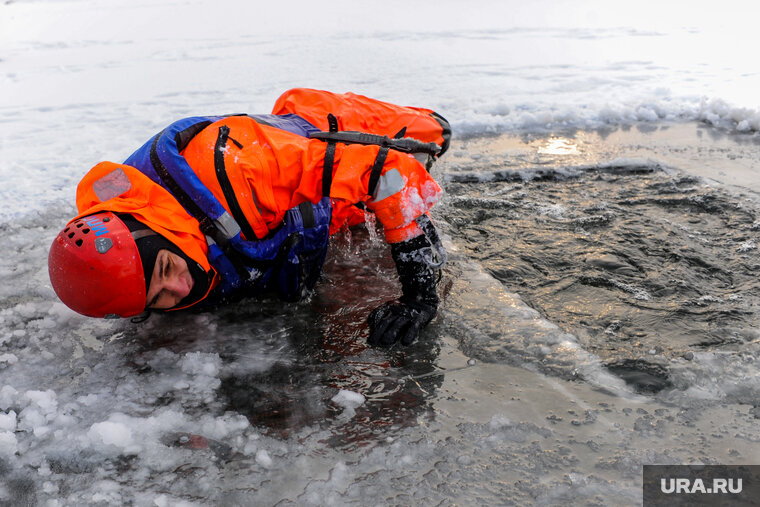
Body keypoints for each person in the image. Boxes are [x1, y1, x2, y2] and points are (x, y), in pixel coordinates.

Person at [48, 88, 451, 347]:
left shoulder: (240, 168)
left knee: (434, 139)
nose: (180, 286)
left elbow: (389, 173)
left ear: (154, 228)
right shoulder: (121, 236)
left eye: (168, 267)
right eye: (158, 298)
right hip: (310, 208)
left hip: (323, 129)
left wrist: (420, 294)